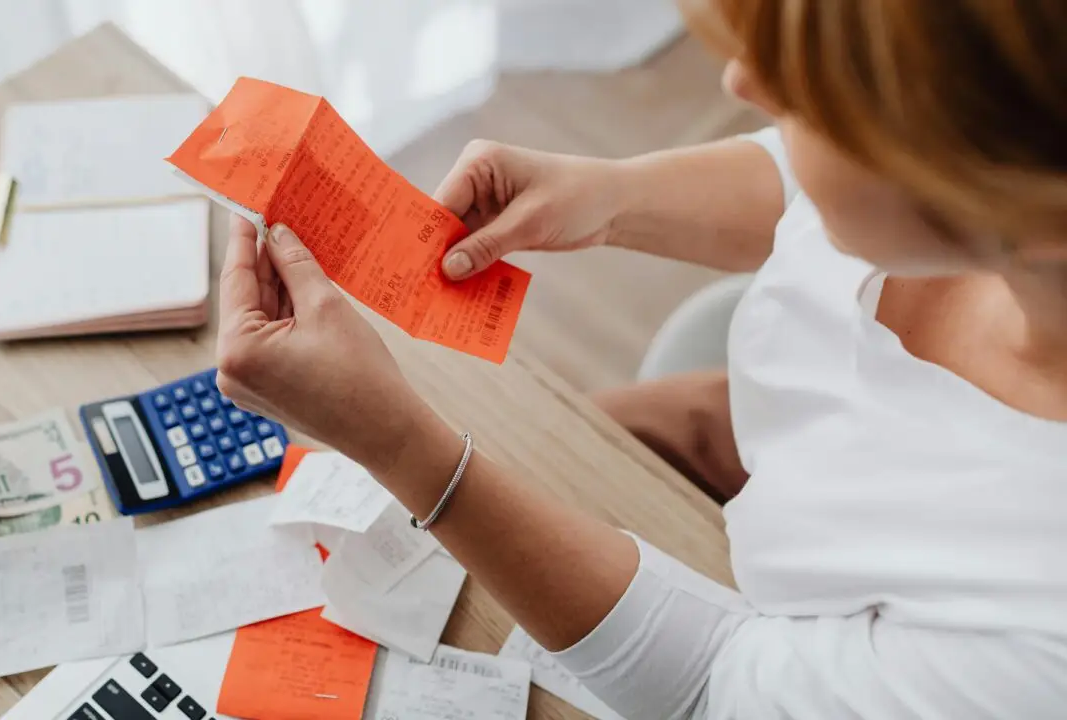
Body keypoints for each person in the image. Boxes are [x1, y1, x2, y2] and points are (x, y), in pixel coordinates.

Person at [214, 0, 1067, 717]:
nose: (744, 85)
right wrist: (615, 197)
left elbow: (712, 683)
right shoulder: (993, 175)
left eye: (814, 96)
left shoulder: (1032, 628)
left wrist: (400, 445)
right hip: (755, 438)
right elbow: (811, 186)